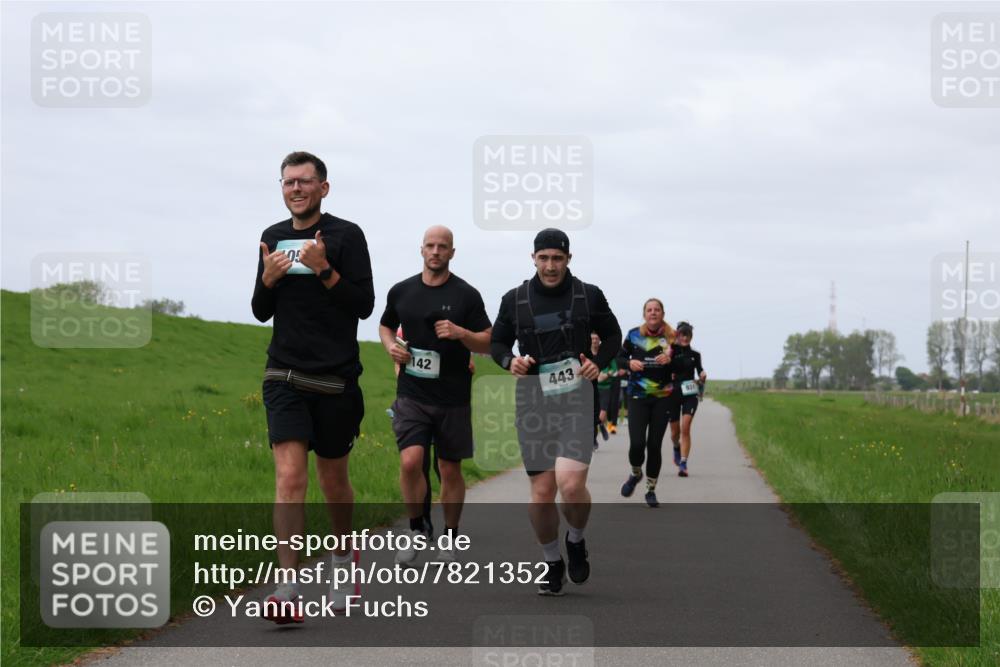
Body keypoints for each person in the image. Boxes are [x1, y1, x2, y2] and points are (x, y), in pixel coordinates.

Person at [251, 151, 374, 623]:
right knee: (289, 479)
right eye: (288, 182)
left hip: (336, 378)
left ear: (324, 188)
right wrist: (267, 279)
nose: (295, 189)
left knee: (334, 482)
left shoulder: (346, 235)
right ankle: (287, 588)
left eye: (304, 181)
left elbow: (363, 304)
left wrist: (324, 269)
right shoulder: (270, 238)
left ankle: (344, 563)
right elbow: (262, 309)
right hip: (283, 373)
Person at [491, 228, 621, 595]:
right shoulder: (514, 300)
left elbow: (613, 336)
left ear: (568, 259)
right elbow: (498, 341)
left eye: (557, 258)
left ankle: (576, 539)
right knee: (543, 492)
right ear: (533, 258)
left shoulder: (588, 295)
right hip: (533, 402)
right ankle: (552, 560)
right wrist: (508, 361)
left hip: (577, 399)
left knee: (571, 483)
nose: (550, 266)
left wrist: (598, 362)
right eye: (544, 258)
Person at [379, 226, 492, 565]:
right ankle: (415, 530)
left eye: (443, 246)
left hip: (453, 395)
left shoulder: (466, 296)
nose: (436, 251)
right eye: (430, 245)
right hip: (412, 392)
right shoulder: (402, 291)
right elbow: (386, 326)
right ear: (421, 249)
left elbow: (488, 340)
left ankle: (451, 536)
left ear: (452, 253)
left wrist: (461, 334)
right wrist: (391, 348)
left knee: (449, 468)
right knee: (411, 461)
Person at [619, 299, 675, 508]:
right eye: (649, 310)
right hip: (637, 396)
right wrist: (628, 363)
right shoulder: (634, 334)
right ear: (644, 314)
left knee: (654, 446)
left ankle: (651, 490)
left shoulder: (672, 337)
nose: (653, 313)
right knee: (636, 444)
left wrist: (671, 361)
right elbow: (619, 357)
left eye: (657, 310)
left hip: (662, 397)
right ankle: (635, 473)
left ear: (662, 313)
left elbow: (685, 363)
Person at [667, 321, 706, 477]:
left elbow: (700, 370)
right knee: (674, 432)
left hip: (690, 393)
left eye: (688, 335)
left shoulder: (695, 355)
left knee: (686, 427)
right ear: (677, 335)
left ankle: (683, 463)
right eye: (682, 334)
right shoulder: (671, 351)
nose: (685, 338)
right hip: (673, 394)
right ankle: (676, 447)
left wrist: (702, 375)